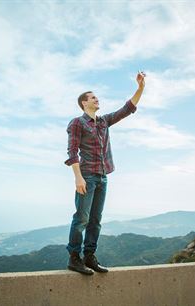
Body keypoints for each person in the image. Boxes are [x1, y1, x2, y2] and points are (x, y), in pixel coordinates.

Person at [64, 71, 146, 275]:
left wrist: (140, 88)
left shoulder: (103, 122)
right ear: (84, 103)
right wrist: (78, 177)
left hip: (102, 177)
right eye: (92, 97)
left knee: (95, 220)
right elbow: (72, 152)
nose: (96, 99)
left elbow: (127, 109)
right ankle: (74, 258)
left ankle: (89, 257)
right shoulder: (77, 123)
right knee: (82, 218)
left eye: (96, 97)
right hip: (87, 177)